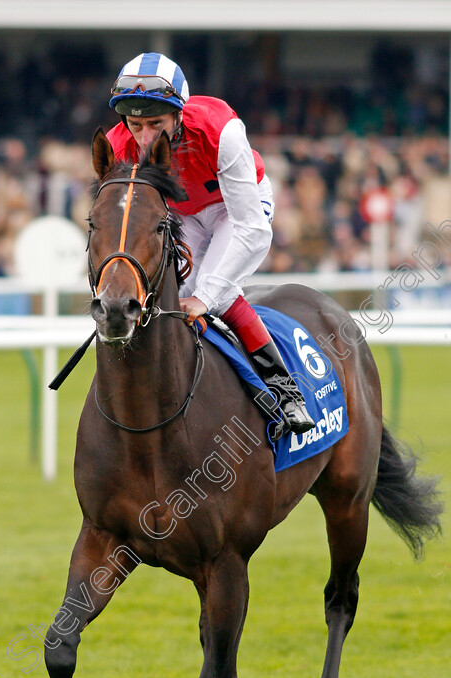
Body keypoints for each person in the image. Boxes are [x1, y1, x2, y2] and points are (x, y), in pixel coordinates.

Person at [107, 52, 314, 438]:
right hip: (185, 214)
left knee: (211, 293)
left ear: (179, 114)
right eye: (135, 125)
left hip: (234, 206)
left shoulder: (222, 130)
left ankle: (287, 392)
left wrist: (204, 297)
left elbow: (252, 230)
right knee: (170, 296)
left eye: (156, 123)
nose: (146, 138)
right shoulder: (118, 146)